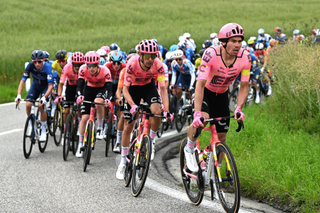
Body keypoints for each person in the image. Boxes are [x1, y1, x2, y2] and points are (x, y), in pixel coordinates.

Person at [184, 23, 251, 175]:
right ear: (223, 42)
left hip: (221, 95)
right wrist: (197, 113)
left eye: (240, 41)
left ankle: (214, 174)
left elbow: (244, 86)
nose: (237, 45)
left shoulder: (245, 58)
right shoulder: (211, 54)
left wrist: (239, 108)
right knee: (204, 118)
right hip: (205, 91)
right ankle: (189, 148)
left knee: (221, 137)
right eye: (233, 41)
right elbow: (200, 84)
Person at [116, 39, 170, 179]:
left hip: (148, 87)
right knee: (129, 125)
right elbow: (125, 90)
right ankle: (122, 162)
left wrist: (168, 110)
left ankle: (151, 140)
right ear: (140, 55)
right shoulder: (132, 63)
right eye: (147, 56)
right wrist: (133, 105)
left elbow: (162, 89)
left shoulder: (158, 64)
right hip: (133, 89)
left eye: (153, 55)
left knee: (157, 112)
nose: (151, 59)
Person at [75, 51, 113, 157]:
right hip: (89, 88)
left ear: (98, 64)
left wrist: (109, 99)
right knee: (84, 119)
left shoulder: (105, 71)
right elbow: (79, 86)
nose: (91, 68)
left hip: (101, 88)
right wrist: (79, 95)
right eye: (89, 66)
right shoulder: (83, 69)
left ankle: (100, 127)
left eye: (94, 66)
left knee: (98, 102)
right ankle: (80, 144)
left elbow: (109, 89)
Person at [15, 50, 53, 141]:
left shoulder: (48, 67)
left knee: (41, 105)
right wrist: (19, 95)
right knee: (28, 104)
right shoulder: (30, 66)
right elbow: (23, 81)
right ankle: (32, 125)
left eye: (39, 62)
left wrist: (44, 97)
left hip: (45, 87)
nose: (37, 64)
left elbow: (51, 86)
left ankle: (43, 130)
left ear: (43, 60)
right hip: (35, 86)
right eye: (35, 61)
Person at [54, 52, 84, 139]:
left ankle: (79, 126)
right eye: (76, 65)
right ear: (72, 64)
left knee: (79, 108)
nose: (78, 68)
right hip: (70, 87)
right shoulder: (67, 68)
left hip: (80, 87)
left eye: (80, 65)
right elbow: (61, 84)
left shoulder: (84, 69)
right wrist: (59, 96)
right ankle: (66, 129)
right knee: (66, 110)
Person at [102, 51, 126, 143]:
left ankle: (119, 121)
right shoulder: (107, 66)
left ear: (121, 62)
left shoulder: (125, 67)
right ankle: (106, 121)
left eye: (118, 63)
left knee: (120, 103)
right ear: (111, 62)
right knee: (106, 104)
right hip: (110, 85)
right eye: (114, 63)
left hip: (120, 85)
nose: (116, 65)